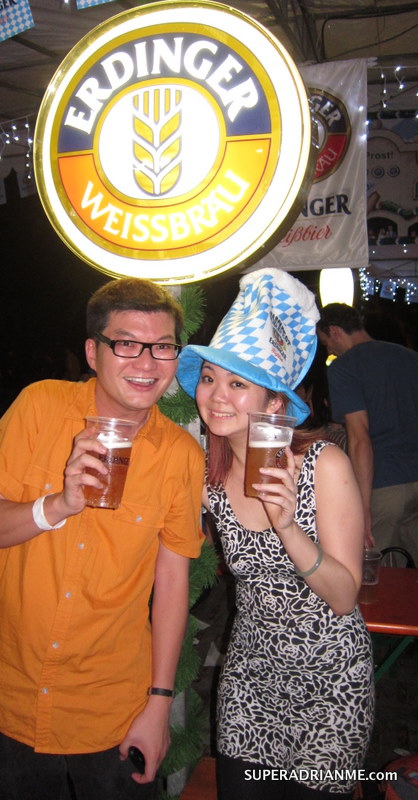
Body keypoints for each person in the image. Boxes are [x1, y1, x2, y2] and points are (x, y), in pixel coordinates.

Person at [0, 277, 205, 800]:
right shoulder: (40, 406)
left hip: (111, 706)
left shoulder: (181, 456)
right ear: (93, 353)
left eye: (163, 347)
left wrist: (159, 703)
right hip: (10, 690)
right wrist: (57, 505)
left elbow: (172, 582)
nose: (147, 363)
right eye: (127, 344)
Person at [177, 268, 374, 800]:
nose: (215, 395)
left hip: (330, 681)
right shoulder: (207, 477)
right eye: (210, 378)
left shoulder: (323, 465)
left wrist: (287, 525)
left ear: (274, 404)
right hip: (250, 677)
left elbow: (344, 596)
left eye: (238, 384)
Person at [317, 303, 418, 563]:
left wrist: (362, 507)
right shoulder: (410, 357)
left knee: (380, 570)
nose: (329, 350)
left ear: (335, 331)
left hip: (386, 484)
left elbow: (360, 439)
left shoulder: (344, 367)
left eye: (326, 343)